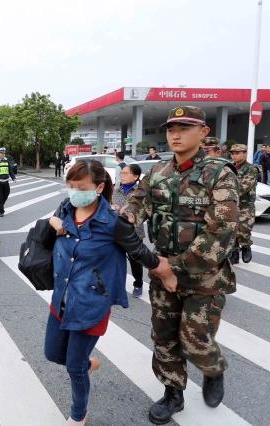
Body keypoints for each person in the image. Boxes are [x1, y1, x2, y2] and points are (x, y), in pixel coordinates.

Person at [122, 106, 239, 424]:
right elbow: (137, 203)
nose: (175, 133)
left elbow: (222, 230)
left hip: (204, 275)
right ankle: (173, 392)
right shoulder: (158, 172)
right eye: (172, 127)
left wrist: (173, 266)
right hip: (162, 272)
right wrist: (125, 218)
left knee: (195, 339)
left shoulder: (220, 173)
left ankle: (214, 369)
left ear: (203, 133)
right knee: (164, 337)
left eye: (185, 127)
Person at [46, 160, 163, 425]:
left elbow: (138, 250)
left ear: (99, 187)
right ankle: (87, 365)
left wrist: (162, 269)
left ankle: (78, 415)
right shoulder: (65, 208)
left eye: (81, 187)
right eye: (70, 186)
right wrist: (53, 223)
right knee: (53, 354)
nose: (74, 192)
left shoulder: (112, 222)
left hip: (92, 303)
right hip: (61, 297)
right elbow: (54, 235)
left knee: (74, 367)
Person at [113, 163, 145, 297]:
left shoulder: (140, 192)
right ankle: (116, 285)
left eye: (126, 173)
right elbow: (111, 204)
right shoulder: (117, 190)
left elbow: (144, 211)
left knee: (135, 260)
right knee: (116, 259)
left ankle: (138, 284)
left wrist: (127, 212)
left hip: (134, 231)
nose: (122, 176)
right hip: (116, 230)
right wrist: (113, 207)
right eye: (122, 173)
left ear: (136, 176)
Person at [229, 144, 258, 264]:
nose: (235, 155)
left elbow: (243, 187)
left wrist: (225, 191)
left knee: (243, 230)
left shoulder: (251, 169)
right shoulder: (229, 167)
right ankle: (234, 253)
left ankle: (246, 246)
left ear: (245, 153)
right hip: (232, 204)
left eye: (238, 153)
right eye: (233, 153)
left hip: (245, 205)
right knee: (231, 229)